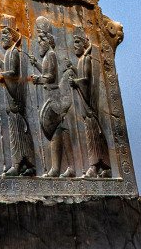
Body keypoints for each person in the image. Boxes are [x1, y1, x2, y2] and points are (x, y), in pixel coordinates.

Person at [0, 15, 36, 175]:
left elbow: (14, 73)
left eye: (5, 34)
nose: (1, 37)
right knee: (15, 133)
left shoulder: (14, 52)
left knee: (18, 133)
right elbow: (8, 69)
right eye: (1, 34)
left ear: (12, 36)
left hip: (16, 101)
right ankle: (23, 164)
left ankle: (20, 164)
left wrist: (2, 74)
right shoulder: (9, 53)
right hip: (11, 100)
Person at [31, 15, 75, 178]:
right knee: (60, 131)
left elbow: (50, 77)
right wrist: (36, 64)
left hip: (54, 98)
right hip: (51, 97)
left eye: (40, 40)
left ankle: (57, 169)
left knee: (57, 132)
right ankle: (66, 167)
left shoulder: (50, 55)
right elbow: (46, 72)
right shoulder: (47, 56)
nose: (38, 43)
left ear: (47, 41)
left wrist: (37, 79)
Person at [70, 26, 112, 177]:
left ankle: (95, 166)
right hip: (85, 108)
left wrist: (76, 81)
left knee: (93, 137)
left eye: (77, 42)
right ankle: (100, 166)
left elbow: (86, 80)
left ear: (83, 44)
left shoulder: (86, 59)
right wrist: (74, 72)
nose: (74, 46)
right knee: (91, 136)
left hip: (89, 108)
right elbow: (82, 77)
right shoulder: (81, 60)